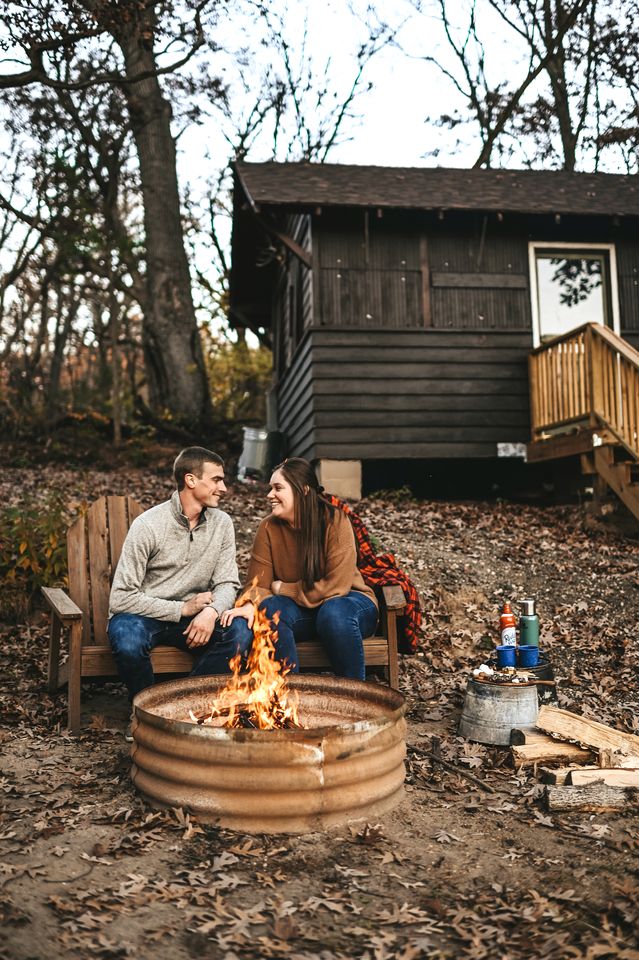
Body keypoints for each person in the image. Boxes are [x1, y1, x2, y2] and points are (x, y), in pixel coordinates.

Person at [108, 446, 252, 719]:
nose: (224, 488)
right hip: (144, 616)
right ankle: (147, 716)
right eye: (217, 480)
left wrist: (212, 612)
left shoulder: (222, 524)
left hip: (195, 618)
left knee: (240, 632)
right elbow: (121, 597)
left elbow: (227, 583)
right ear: (191, 480)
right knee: (127, 638)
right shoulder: (149, 525)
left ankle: (184, 711)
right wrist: (181, 609)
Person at [220, 457, 378, 680]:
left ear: (303, 490)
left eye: (278, 488)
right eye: (270, 488)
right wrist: (250, 604)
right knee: (270, 608)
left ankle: (354, 694)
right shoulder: (268, 527)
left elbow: (336, 586)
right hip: (304, 610)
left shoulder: (335, 521)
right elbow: (258, 584)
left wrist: (283, 588)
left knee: (333, 612)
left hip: (349, 603)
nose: (270, 495)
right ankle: (290, 693)